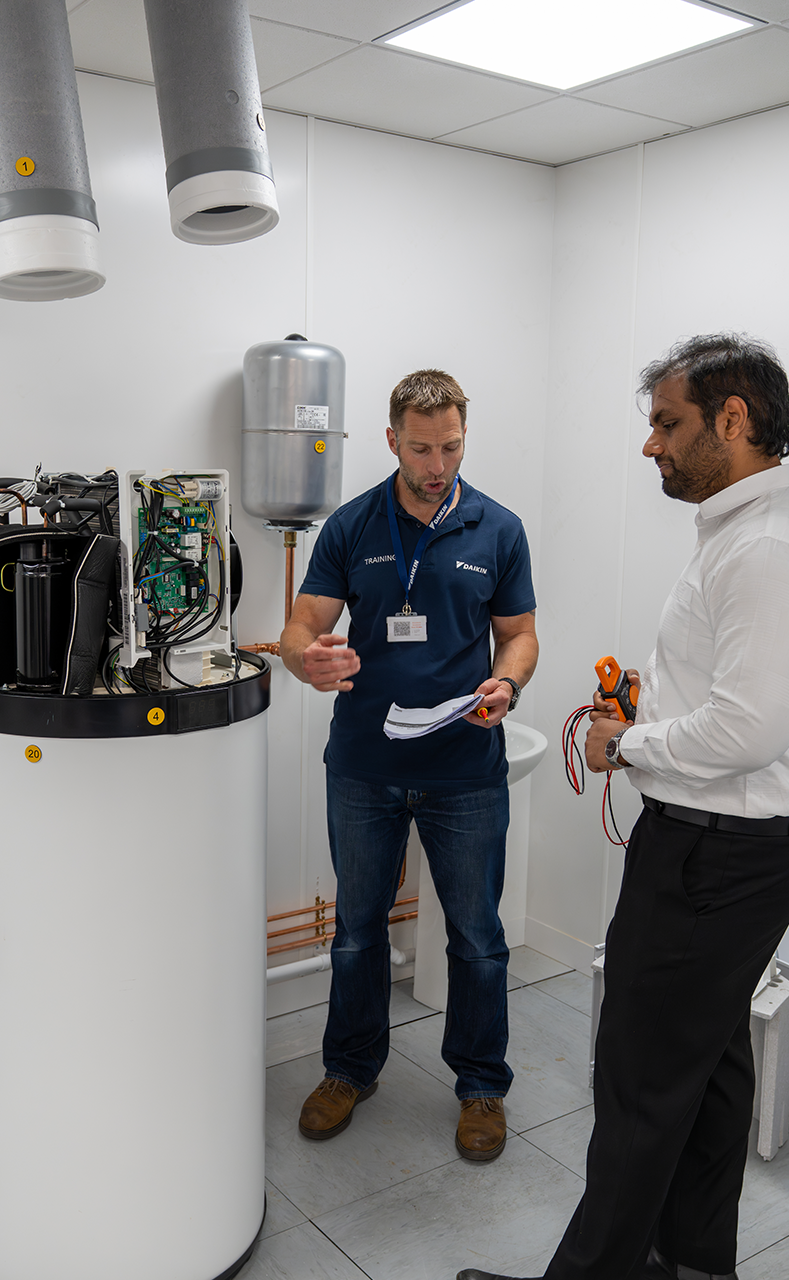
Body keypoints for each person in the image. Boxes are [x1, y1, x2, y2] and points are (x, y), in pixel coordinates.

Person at [459, 334, 789, 1280]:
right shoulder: (752, 532)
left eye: (667, 422)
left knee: (640, 1078)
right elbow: (734, 696)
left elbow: (748, 731)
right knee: (709, 1065)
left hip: (715, 856)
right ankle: (690, 1262)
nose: (651, 444)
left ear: (732, 420)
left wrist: (627, 743)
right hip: (740, 849)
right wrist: (650, 707)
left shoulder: (768, 547)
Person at [279, 369, 538, 1161]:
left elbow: (519, 635)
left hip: (465, 766)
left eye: (451, 447)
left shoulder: (499, 528)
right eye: (422, 449)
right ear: (392, 440)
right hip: (364, 766)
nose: (437, 465)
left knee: (477, 937)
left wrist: (508, 683)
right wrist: (307, 661)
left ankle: (481, 1085)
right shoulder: (352, 525)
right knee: (357, 931)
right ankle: (349, 1070)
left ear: (464, 437)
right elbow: (300, 625)